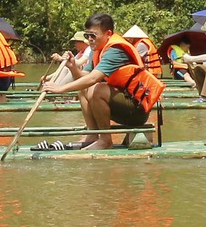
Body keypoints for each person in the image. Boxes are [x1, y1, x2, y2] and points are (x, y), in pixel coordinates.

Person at [38, 13, 165, 149]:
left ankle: (105, 140)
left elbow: (93, 78)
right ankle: (93, 134)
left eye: (93, 35)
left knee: (97, 89)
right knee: (84, 88)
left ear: (108, 33)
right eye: (87, 36)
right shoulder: (97, 49)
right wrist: (73, 67)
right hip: (122, 103)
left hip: (136, 110)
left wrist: (60, 89)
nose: (90, 39)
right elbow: (84, 76)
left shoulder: (116, 49)